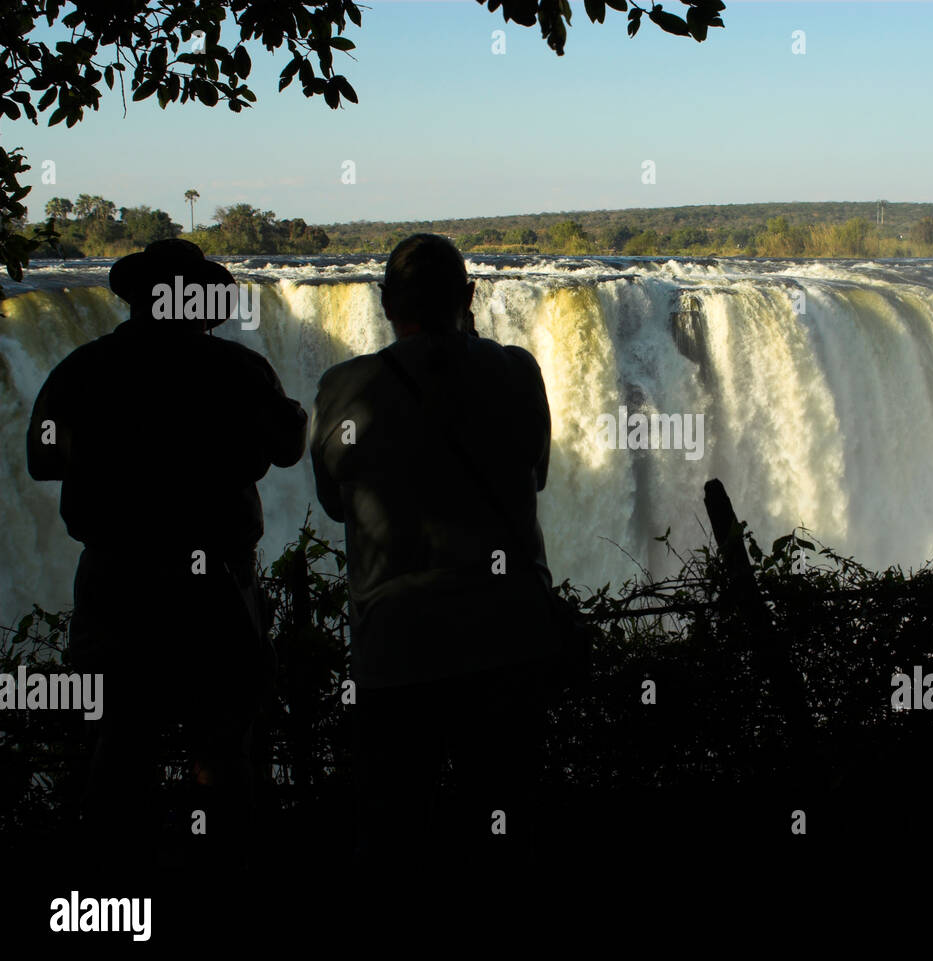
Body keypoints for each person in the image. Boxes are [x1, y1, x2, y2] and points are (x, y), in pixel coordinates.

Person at [26, 238, 307, 872]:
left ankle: (118, 890)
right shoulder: (237, 370)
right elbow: (287, 448)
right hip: (215, 587)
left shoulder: (83, 369)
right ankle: (222, 878)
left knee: (120, 744)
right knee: (223, 743)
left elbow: (42, 459)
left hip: (117, 580)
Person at [309, 234, 556, 872]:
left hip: (397, 646)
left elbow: (336, 504)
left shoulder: (344, 387)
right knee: (505, 820)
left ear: (386, 302)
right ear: (468, 297)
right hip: (507, 641)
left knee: (392, 830)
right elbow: (537, 474)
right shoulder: (515, 371)